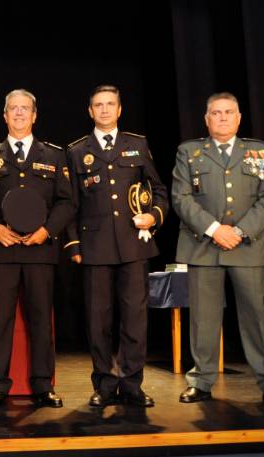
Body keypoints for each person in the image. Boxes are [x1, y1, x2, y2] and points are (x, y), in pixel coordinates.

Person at [172, 92, 264, 410]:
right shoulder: (189, 151)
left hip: (246, 246)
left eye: (229, 112)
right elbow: (181, 198)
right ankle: (201, 381)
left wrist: (239, 231)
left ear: (239, 118)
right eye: (216, 113)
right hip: (203, 246)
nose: (223, 117)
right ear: (207, 119)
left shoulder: (259, 151)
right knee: (203, 319)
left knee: (256, 317)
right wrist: (215, 229)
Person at [64, 85, 168, 408]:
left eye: (110, 104)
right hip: (94, 247)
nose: (105, 110)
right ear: (90, 111)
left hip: (134, 245)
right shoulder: (77, 151)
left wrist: (153, 216)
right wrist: (73, 244)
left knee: (135, 318)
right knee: (98, 321)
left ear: (120, 109)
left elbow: (159, 190)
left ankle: (132, 383)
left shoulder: (137, 145)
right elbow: (70, 203)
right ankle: (105, 384)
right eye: (99, 105)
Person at [0, 89, 74, 409]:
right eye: (13, 109)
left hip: (40, 251)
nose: (19, 113)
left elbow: (66, 202)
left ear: (35, 115)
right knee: (0, 322)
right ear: (5, 116)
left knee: (41, 322)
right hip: (2, 251)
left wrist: (47, 231)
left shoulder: (54, 155)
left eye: (25, 108)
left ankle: (43, 385)